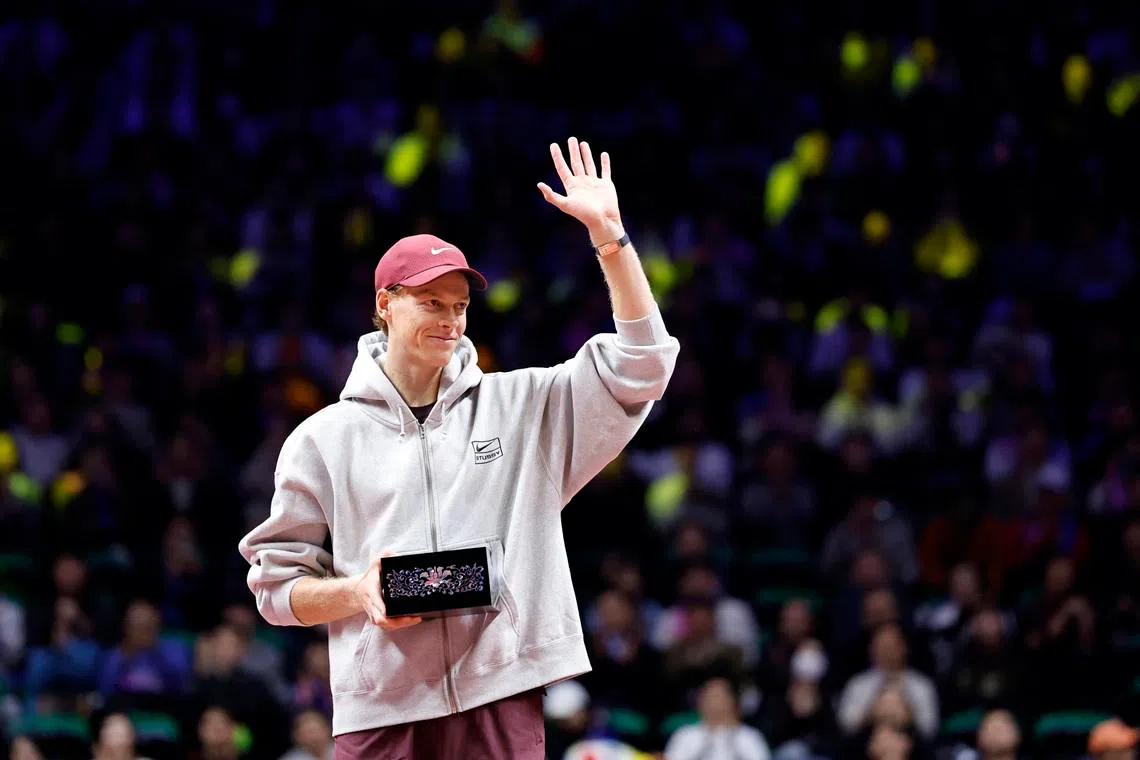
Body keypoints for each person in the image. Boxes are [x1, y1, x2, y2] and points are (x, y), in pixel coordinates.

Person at [239, 137, 679, 759]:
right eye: (431, 303)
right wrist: (358, 591)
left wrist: (611, 239)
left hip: (501, 692)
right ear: (385, 305)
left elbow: (644, 364)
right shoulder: (323, 440)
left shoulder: (522, 406)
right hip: (382, 707)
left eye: (461, 306)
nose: (450, 320)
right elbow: (276, 591)